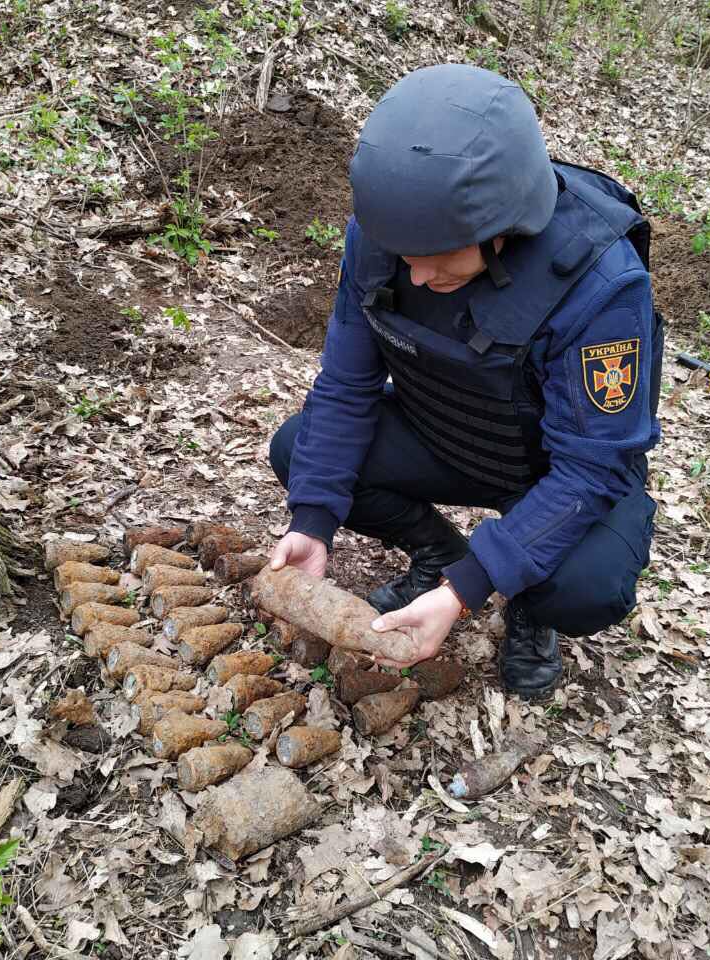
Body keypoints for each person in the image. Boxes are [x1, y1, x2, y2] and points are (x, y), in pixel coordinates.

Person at [267, 63, 663, 700]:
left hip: (555, 473)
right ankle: (436, 552)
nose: (417, 278)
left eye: (436, 261)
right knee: (299, 450)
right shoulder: (388, 234)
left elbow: (594, 468)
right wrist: (312, 522)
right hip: (448, 434)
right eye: (406, 260)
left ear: (501, 229)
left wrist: (471, 587)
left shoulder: (599, 282)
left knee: (585, 587)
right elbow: (345, 387)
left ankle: (530, 601)